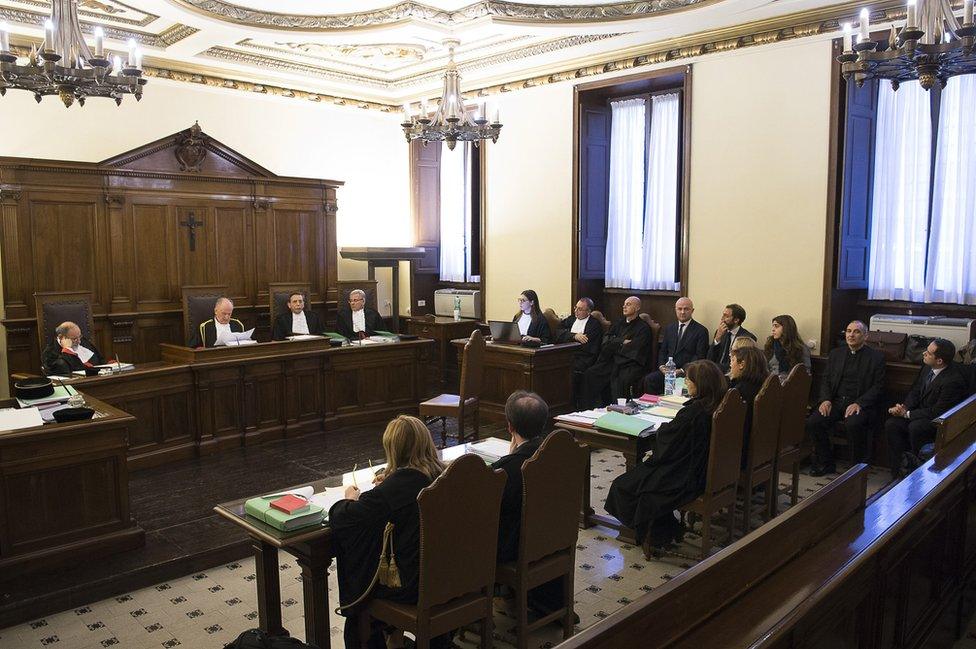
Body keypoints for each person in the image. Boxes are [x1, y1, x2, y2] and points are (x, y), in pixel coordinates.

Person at [329, 415, 448, 649]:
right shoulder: (443, 474)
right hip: (449, 576)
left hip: (413, 587)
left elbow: (343, 519)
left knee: (360, 577)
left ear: (393, 449)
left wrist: (349, 499)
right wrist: (391, 479)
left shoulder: (390, 491)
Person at [605, 360, 728, 558]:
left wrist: (662, 430)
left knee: (624, 485)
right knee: (637, 479)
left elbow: (668, 445)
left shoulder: (693, 414)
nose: (686, 383)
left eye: (689, 380)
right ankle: (664, 527)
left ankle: (648, 532)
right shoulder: (717, 403)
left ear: (701, 383)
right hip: (700, 468)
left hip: (684, 475)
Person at [490, 391, 569, 616]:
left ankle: (479, 607)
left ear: (510, 426)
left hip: (518, 547)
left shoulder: (508, 468)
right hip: (553, 538)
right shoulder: (558, 455)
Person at [804, 321, 886, 476]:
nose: (851, 335)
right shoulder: (836, 354)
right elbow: (826, 380)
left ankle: (857, 468)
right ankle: (826, 462)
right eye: (848, 331)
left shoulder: (876, 358)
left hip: (859, 404)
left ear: (865, 336)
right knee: (814, 422)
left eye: (856, 332)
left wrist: (859, 403)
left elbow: (878, 387)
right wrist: (825, 399)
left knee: (854, 424)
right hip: (835, 401)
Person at [885, 339, 967, 480]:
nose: (924, 353)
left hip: (936, 422)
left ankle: (917, 472)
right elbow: (915, 391)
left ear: (939, 361)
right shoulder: (927, 367)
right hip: (917, 413)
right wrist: (904, 407)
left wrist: (907, 414)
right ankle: (898, 470)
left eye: (928, 353)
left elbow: (937, 412)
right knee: (892, 424)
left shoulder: (953, 381)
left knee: (916, 427)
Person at [581, 296, 652, 407]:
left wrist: (614, 345)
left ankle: (619, 411)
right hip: (611, 360)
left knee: (622, 380)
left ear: (637, 307)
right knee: (591, 373)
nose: (624, 306)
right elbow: (606, 341)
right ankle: (592, 409)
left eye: (628, 304)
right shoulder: (618, 322)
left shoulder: (643, 328)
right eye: (624, 304)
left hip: (629, 364)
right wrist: (621, 341)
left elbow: (634, 349)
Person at [642, 297, 709, 395]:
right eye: (679, 309)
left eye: (686, 309)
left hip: (686, 373)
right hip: (667, 371)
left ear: (692, 311)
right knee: (649, 380)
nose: (682, 312)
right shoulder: (670, 328)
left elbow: (699, 357)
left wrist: (682, 370)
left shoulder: (701, 331)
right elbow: (663, 351)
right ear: (675, 310)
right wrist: (661, 366)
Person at [554, 298, 603, 406]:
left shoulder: (594, 325)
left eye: (580, 309)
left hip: (584, 358)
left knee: (569, 370)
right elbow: (558, 333)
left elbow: (587, 347)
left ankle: (570, 404)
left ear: (588, 311)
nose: (576, 311)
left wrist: (569, 338)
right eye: (575, 308)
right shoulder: (571, 319)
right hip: (566, 356)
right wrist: (574, 336)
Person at [728, 346, 770, 468]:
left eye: (732, 361)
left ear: (742, 365)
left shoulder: (739, 392)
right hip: (763, 447)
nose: (730, 365)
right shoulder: (766, 385)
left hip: (741, 451)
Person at [706, 303, 757, 373]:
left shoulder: (747, 338)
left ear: (736, 320)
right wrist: (717, 339)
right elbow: (709, 358)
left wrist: (715, 368)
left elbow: (741, 364)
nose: (722, 319)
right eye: (723, 315)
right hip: (715, 372)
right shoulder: (720, 332)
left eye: (726, 316)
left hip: (732, 374)